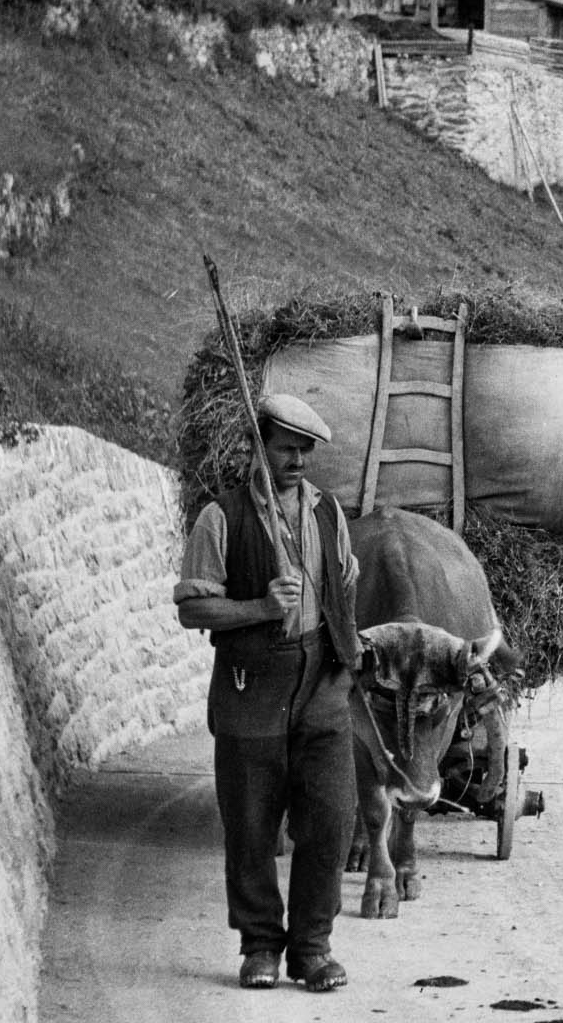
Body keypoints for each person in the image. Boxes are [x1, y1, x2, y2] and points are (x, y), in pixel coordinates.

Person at [175, 394, 360, 992]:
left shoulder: (328, 513)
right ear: (260, 446)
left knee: (330, 819)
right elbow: (192, 608)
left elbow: (345, 585)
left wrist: (348, 650)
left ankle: (312, 949)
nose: (299, 460)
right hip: (250, 684)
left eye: (307, 450)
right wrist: (258, 607)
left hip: (321, 682)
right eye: (287, 447)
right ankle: (259, 946)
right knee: (252, 826)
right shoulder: (220, 518)